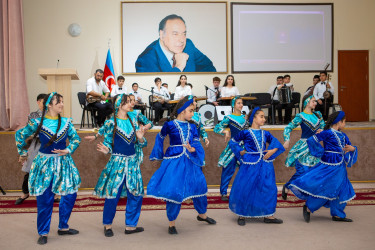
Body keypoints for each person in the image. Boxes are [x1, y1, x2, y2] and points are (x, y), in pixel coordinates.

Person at [15, 92, 81, 245]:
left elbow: (76, 138)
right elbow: (19, 135)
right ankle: (43, 232)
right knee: (45, 198)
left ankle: (63, 227)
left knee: (70, 194)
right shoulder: (37, 122)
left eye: (63, 101)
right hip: (44, 164)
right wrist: (23, 153)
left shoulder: (66, 121)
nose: (62, 104)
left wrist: (69, 149)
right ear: (49, 105)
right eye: (59, 102)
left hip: (64, 163)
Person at [147, 96, 216, 235]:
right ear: (182, 110)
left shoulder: (192, 126)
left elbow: (196, 142)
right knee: (175, 190)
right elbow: (160, 137)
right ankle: (171, 223)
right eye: (191, 111)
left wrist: (193, 149)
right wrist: (158, 154)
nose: (193, 113)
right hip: (175, 160)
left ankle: (202, 215)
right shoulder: (170, 125)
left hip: (190, 160)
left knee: (199, 186)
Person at [93, 94, 147, 237]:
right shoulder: (111, 123)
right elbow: (108, 143)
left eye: (131, 101)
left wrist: (141, 139)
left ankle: (130, 226)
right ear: (119, 104)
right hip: (117, 163)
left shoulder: (134, 122)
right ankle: (108, 225)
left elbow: (143, 143)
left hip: (132, 163)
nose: (131, 104)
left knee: (136, 194)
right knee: (113, 195)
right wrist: (107, 150)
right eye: (128, 102)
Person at [289, 111, 357, 223]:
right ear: (339, 122)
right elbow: (312, 140)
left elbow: (348, 147)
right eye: (344, 122)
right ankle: (309, 207)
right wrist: (321, 152)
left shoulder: (343, 136)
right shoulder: (327, 133)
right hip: (329, 166)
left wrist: (353, 149)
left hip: (340, 167)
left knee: (341, 188)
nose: (345, 124)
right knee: (327, 187)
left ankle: (338, 214)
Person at [229, 107, 285, 225]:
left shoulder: (266, 133)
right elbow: (232, 141)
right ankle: (242, 214)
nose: (264, 119)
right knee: (246, 186)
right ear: (253, 118)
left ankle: (268, 214)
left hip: (264, 163)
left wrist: (271, 151)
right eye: (261, 116)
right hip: (250, 163)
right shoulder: (245, 132)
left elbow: (276, 143)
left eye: (264, 117)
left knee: (267, 187)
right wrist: (240, 151)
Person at [135, 14, 216, 73]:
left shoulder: (189, 45)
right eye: (175, 34)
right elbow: (158, 92)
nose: (181, 40)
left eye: (184, 34)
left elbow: (210, 69)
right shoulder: (145, 60)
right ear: (162, 34)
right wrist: (179, 67)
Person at [282, 96, 325, 200]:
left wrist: (322, 130)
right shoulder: (301, 116)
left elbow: (323, 126)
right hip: (304, 147)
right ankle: (287, 185)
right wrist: (287, 139)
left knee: (315, 172)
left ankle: (311, 197)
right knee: (303, 171)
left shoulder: (318, 115)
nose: (315, 103)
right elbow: (288, 127)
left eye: (315, 101)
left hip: (315, 146)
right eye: (313, 101)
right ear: (307, 102)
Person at [15, 93, 47, 205]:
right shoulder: (33, 115)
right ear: (38, 102)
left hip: (49, 145)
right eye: (44, 102)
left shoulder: (53, 114)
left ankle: (51, 194)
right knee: (29, 168)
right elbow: (33, 130)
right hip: (36, 143)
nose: (47, 104)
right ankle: (25, 192)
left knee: (50, 170)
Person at [214, 97, 247, 201]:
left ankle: (243, 192)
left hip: (243, 147)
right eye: (238, 103)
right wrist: (226, 131)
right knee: (228, 169)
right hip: (233, 147)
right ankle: (223, 193)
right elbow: (217, 128)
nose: (241, 105)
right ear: (234, 105)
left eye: (242, 103)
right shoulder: (228, 117)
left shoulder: (245, 118)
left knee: (245, 170)